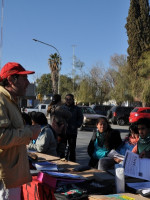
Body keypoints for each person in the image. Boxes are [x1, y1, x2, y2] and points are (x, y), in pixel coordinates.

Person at [0, 62, 41, 199]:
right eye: (24, 79)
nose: (28, 83)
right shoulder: (1, 100)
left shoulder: (9, 100)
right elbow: (1, 137)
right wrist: (30, 133)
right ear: (11, 80)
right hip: (5, 181)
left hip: (10, 177)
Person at [65, 94, 83, 162]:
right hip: (64, 132)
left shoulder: (77, 109)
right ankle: (63, 161)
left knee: (72, 149)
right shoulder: (62, 108)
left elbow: (80, 118)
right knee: (63, 148)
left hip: (72, 132)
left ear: (73, 100)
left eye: (70, 99)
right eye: (67, 99)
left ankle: (72, 162)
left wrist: (76, 125)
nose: (68, 101)